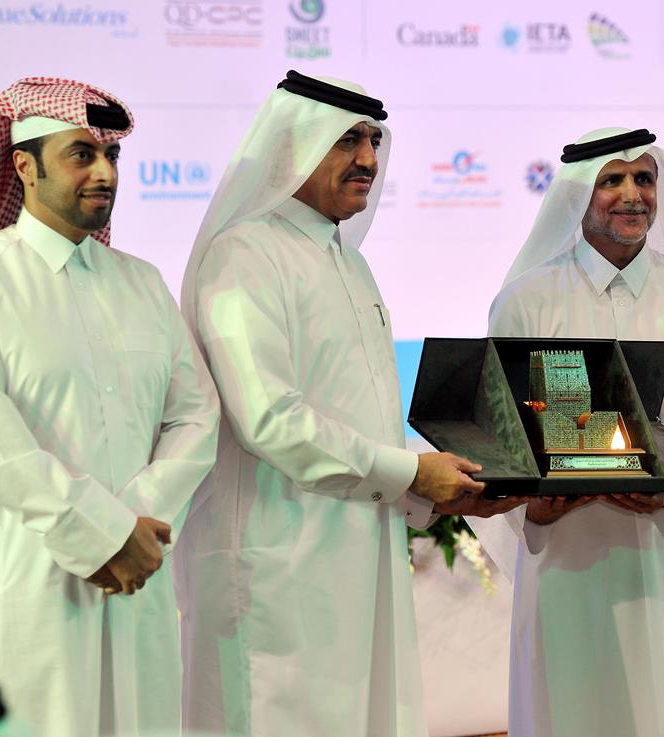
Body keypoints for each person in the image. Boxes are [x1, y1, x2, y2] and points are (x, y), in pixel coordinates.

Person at [0, 77, 220, 737]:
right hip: (20, 595)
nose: (103, 172)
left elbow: (195, 417)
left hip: (133, 585)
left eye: (111, 156)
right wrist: (102, 531)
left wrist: (131, 524)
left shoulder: (143, 285)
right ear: (23, 167)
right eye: (81, 154)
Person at [174, 70, 485, 737]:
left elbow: (356, 417)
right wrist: (410, 473)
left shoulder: (347, 261)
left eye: (374, 139)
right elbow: (270, 419)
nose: (370, 159)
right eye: (348, 140)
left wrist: (434, 486)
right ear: (294, 146)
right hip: (276, 567)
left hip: (353, 555)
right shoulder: (244, 256)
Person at [460, 128, 664, 737]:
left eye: (644, 179)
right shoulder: (526, 299)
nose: (632, 195)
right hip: (571, 549)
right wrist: (533, 510)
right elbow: (500, 431)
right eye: (612, 180)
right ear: (577, 197)